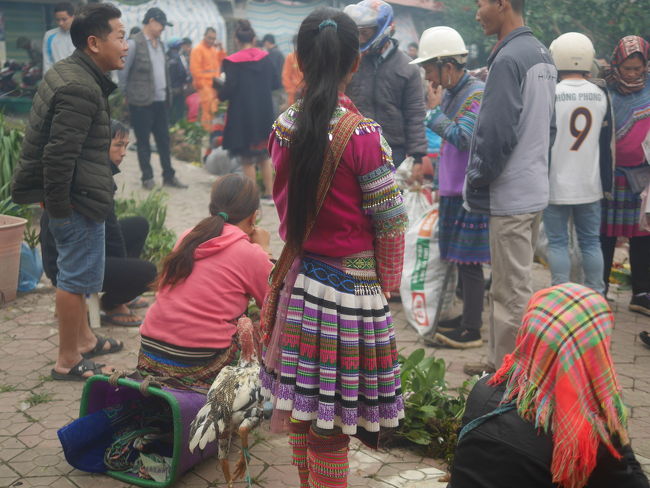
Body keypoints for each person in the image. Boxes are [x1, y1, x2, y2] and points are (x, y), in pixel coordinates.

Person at [259, 8, 407, 488]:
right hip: (349, 298)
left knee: (306, 411)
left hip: (302, 288)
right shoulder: (363, 137)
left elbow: (282, 206)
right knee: (334, 425)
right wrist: (386, 285)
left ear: (299, 60)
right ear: (355, 63)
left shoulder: (284, 128)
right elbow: (390, 222)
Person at [12, 3, 128, 380]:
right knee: (74, 278)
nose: (125, 45)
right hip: (75, 199)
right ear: (94, 43)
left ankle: (84, 341)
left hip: (72, 195)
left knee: (75, 275)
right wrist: (60, 208)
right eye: (120, 37)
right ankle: (67, 360)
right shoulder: (79, 86)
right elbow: (59, 154)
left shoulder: (72, 73)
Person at [449, 283, 649, 488]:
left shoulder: (483, 389)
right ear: (595, 348)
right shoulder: (589, 435)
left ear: (529, 333)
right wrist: (620, 438)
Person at [462, 0, 557, 376]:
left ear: (502, 4)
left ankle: (508, 378)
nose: (477, 12)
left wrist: (479, 176)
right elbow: (548, 128)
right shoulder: (541, 52)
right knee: (511, 285)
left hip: (511, 194)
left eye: (480, 4)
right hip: (531, 187)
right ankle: (496, 364)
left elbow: (496, 134)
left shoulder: (507, 59)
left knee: (510, 293)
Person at [137, 174, 273, 388]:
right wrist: (264, 251)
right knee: (259, 325)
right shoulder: (250, 253)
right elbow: (274, 305)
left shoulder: (188, 236)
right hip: (200, 361)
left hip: (150, 353)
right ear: (253, 217)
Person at [410, 26, 489, 349]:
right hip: (450, 187)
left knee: (469, 261)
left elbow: (464, 137)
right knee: (457, 257)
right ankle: (467, 318)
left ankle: (472, 328)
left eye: (430, 67)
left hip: (467, 191)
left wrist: (433, 112)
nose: (428, 75)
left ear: (448, 65)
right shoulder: (454, 93)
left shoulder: (476, 93)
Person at [40, 120, 158, 327]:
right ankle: (113, 303)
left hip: (78, 249)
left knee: (139, 224)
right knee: (148, 273)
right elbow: (111, 233)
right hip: (68, 264)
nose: (123, 152)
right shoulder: (95, 179)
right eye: (118, 145)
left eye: (126, 146)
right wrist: (128, 278)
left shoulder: (88, 166)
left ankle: (120, 294)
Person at [543, 32, 613, 296]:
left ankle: (560, 297)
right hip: (590, 184)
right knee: (591, 243)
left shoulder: (552, 93)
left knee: (558, 243)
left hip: (555, 185)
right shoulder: (600, 94)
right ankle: (596, 296)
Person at [344, 0, 427, 168]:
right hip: (354, 147)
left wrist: (417, 158)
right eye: (358, 33)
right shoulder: (350, 63)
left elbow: (415, 114)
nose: (360, 39)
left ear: (384, 31)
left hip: (393, 151)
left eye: (365, 33)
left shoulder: (407, 68)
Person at [601, 36, 650, 316]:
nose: (632, 74)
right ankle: (600, 289)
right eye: (627, 68)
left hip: (643, 176)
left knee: (643, 235)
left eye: (638, 69)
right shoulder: (606, 91)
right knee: (605, 234)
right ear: (617, 64)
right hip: (613, 175)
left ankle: (641, 293)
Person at [118, 7, 187, 190]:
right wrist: (126, 94)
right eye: (162, 24)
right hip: (141, 102)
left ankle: (168, 175)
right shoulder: (134, 43)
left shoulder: (161, 44)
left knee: (164, 140)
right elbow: (123, 72)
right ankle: (147, 177)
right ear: (151, 22)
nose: (163, 28)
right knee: (143, 141)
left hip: (160, 100)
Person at [218, 20, 278, 202]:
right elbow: (276, 83)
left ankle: (253, 198)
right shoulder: (266, 58)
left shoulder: (232, 62)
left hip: (243, 116)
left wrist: (218, 88)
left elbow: (228, 91)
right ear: (253, 39)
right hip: (264, 113)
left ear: (236, 40)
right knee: (263, 156)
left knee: (247, 159)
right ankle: (269, 194)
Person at [190, 27, 226, 131]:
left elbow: (223, 61)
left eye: (213, 38)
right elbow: (195, 71)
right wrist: (202, 86)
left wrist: (222, 49)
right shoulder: (197, 50)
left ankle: (213, 132)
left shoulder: (213, 50)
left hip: (214, 86)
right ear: (204, 37)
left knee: (214, 111)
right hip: (205, 87)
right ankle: (206, 132)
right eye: (209, 38)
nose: (211, 40)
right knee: (207, 112)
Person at [42, 2, 75, 74]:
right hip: (57, 80)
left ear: (73, 17)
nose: (60, 23)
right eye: (58, 20)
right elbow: (47, 63)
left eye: (64, 19)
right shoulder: (49, 35)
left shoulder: (83, 34)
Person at [168, 38, 192, 124]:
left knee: (170, 111)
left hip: (168, 89)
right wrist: (186, 80)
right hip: (178, 88)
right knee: (179, 112)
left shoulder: (165, 56)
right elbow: (182, 72)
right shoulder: (178, 57)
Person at [262, 33, 286, 114]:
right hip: (281, 86)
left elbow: (272, 71)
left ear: (267, 42)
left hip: (274, 87)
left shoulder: (272, 53)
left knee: (275, 110)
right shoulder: (279, 53)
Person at [281, 35, 303, 107]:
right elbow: (286, 76)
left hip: (308, 94)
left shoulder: (310, 57)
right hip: (293, 96)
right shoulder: (290, 57)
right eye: (295, 44)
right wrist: (293, 91)